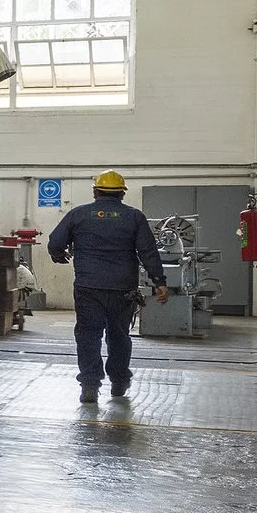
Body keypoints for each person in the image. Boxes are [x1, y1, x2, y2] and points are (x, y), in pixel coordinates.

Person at [44, 172, 166, 402]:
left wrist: (58, 255)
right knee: (119, 335)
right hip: (124, 288)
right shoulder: (134, 217)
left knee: (88, 334)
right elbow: (148, 252)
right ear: (122, 193)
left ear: (95, 191)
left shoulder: (78, 214)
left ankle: (90, 385)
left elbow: (55, 242)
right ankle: (119, 381)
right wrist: (160, 282)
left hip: (88, 286)